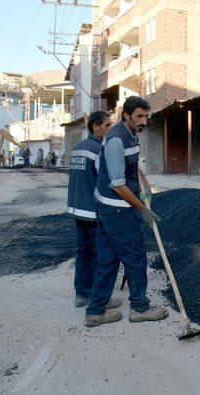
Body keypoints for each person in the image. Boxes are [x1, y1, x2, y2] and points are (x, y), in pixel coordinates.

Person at [85, 96, 168, 327]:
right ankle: (139, 308)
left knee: (108, 260)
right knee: (135, 259)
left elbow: (132, 164)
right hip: (117, 211)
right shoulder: (115, 140)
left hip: (111, 208)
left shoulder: (130, 135)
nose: (144, 121)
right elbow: (117, 184)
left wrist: (144, 181)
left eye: (146, 116)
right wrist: (142, 209)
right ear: (126, 115)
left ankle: (95, 311)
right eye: (139, 116)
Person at [67, 111, 118, 310]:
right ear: (95, 127)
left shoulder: (78, 148)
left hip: (78, 209)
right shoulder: (99, 150)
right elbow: (107, 182)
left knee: (84, 253)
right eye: (107, 126)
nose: (110, 129)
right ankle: (99, 298)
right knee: (101, 256)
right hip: (95, 211)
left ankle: (81, 294)